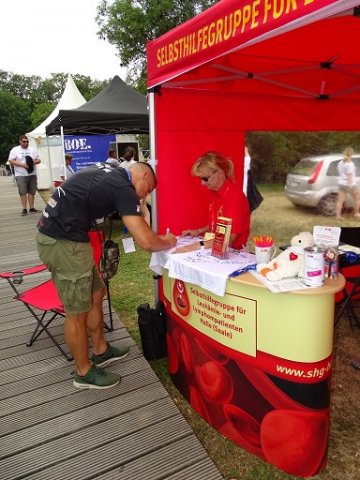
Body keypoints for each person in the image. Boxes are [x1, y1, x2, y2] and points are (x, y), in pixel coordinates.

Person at [36, 161, 176, 390]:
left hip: (69, 239)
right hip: (62, 243)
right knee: (77, 312)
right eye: (148, 189)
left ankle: (100, 350)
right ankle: (83, 372)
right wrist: (169, 241)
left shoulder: (110, 172)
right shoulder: (123, 188)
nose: (146, 195)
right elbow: (146, 242)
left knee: (97, 291)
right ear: (141, 176)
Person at [181, 151, 250, 251]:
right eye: (200, 179)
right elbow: (217, 223)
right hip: (217, 248)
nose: (202, 183)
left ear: (219, 173)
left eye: (205, 178)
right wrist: (198, 231)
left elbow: (229, 239)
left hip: (234, 253)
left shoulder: (235, 197)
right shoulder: (214, 193)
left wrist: (194, 247)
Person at [8, 135, 41, 216]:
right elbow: (11, 160)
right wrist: (23, 165)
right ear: (20, 141)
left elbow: (39, 159)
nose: (26, 143)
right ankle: (24, 209)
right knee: (23, 192)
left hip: (32, 173)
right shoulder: (15, 150)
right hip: (20, 174)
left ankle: (32, 208)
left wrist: (33, 162)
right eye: (24, 141)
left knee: (32, 191)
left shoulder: (32, 150)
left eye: (27, 141)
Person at [335, 146, 360, 220]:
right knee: (357, 198)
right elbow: (350, 175)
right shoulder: (349, 164)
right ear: (351, 154)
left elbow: (338, 171)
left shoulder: (340, 162)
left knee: (340, 201)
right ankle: (356, 213)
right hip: (349, 184)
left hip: (341, 183)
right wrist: (350, 185)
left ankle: (338, 216)